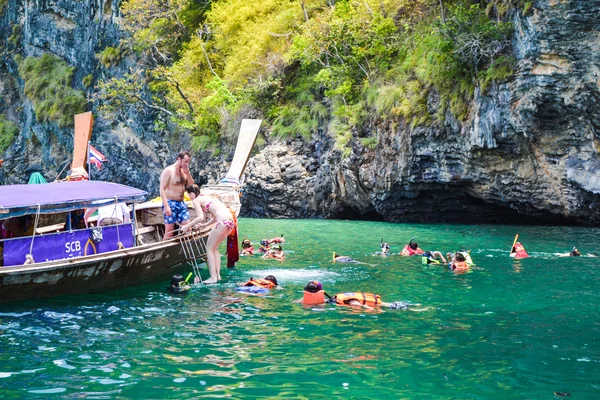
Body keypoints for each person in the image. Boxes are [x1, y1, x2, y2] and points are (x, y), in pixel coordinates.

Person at [182, 184, 235, 284]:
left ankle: (213, 278)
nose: (189, 198)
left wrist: (186, 226)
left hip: (222, 222)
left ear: (192, 193)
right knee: (214, 248)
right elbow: (215, 217)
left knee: (209, 248)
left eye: (189, 195)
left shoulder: (196, 200)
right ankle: (217, 276)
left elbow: (200, 217)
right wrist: (205, 225)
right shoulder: (208, 198)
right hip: (230, 222)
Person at [298, 281, 417, 310]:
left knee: (412, 308)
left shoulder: (345, 300)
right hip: (390, 305)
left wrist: (373, 310)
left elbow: (357, 304)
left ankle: (420, 308)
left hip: (391, 306)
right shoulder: (331, 300)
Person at [160, 151, 194, 240]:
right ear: (179, 159)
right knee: (169, 232)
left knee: (188, 228)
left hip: (181, 203)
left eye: (188, 162)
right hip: (170, 203)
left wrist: (188, 173)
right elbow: (162, 189)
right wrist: (166, 206)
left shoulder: (184, 171)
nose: (187, 164)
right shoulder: (169, 171)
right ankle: (163, 251)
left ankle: (184, 249)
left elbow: (191, 186)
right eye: (185, 161)